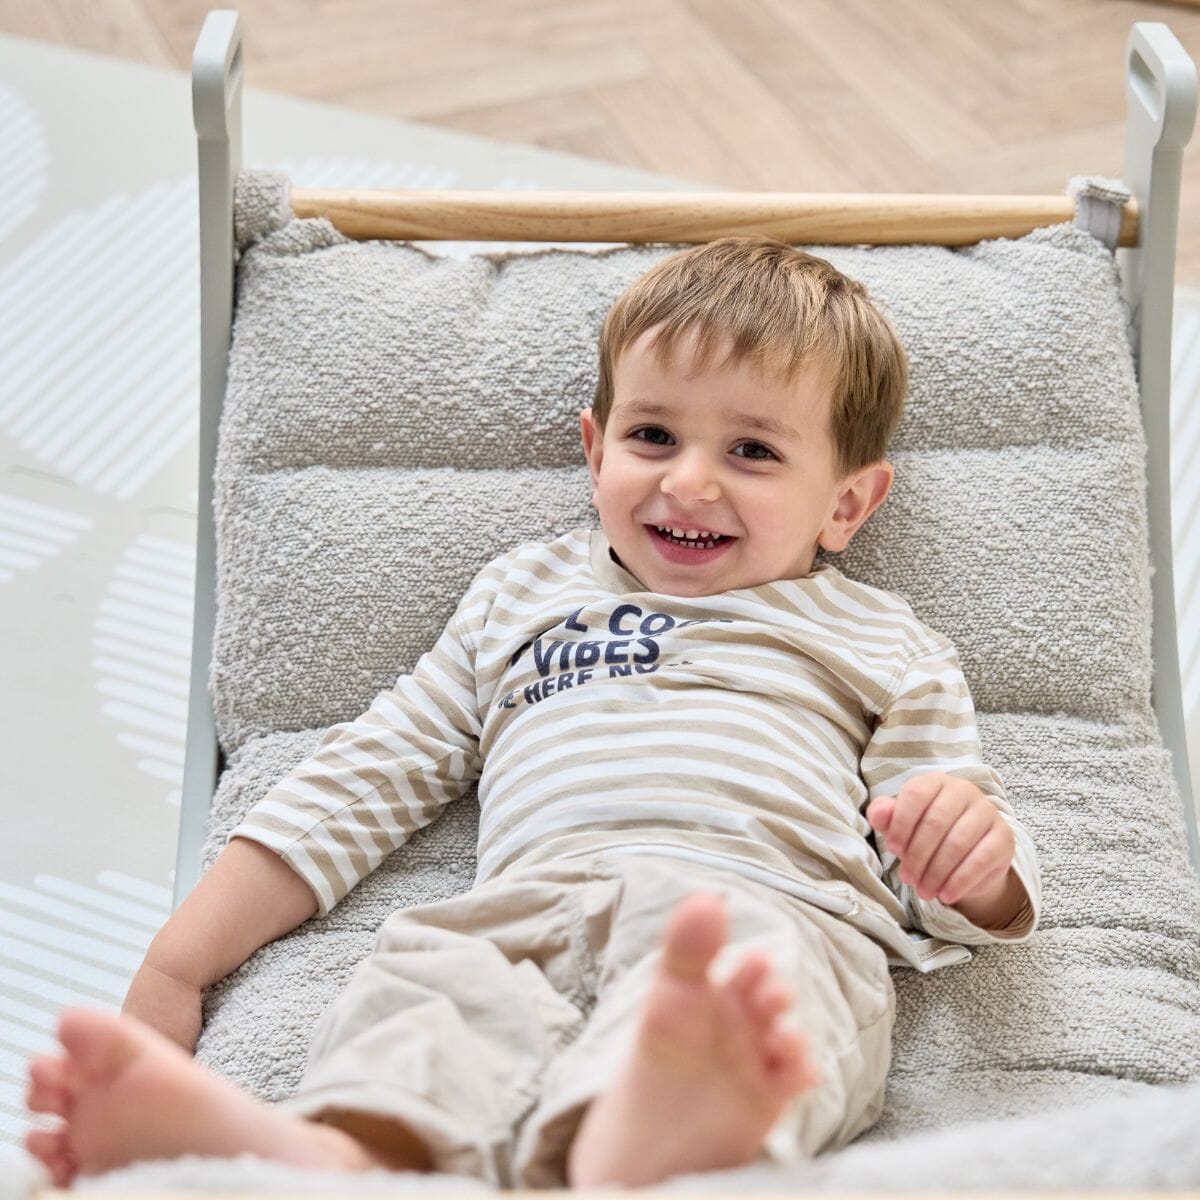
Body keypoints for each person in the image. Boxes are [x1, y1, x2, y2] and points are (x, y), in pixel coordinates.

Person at [25, 235, 1040, 1190]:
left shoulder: (881, 638)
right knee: (429, 997)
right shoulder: (522, 593)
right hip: (524, 906)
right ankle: (344, 1153)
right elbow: (366, 776)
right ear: (595, 451)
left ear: (847, 506)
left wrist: (976, 865)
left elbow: (945, 853)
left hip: (759, 910)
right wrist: (179, 962)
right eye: (653, 435)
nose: (688, 481)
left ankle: (657, 1135)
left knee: (748, 1011)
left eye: (753, 453)